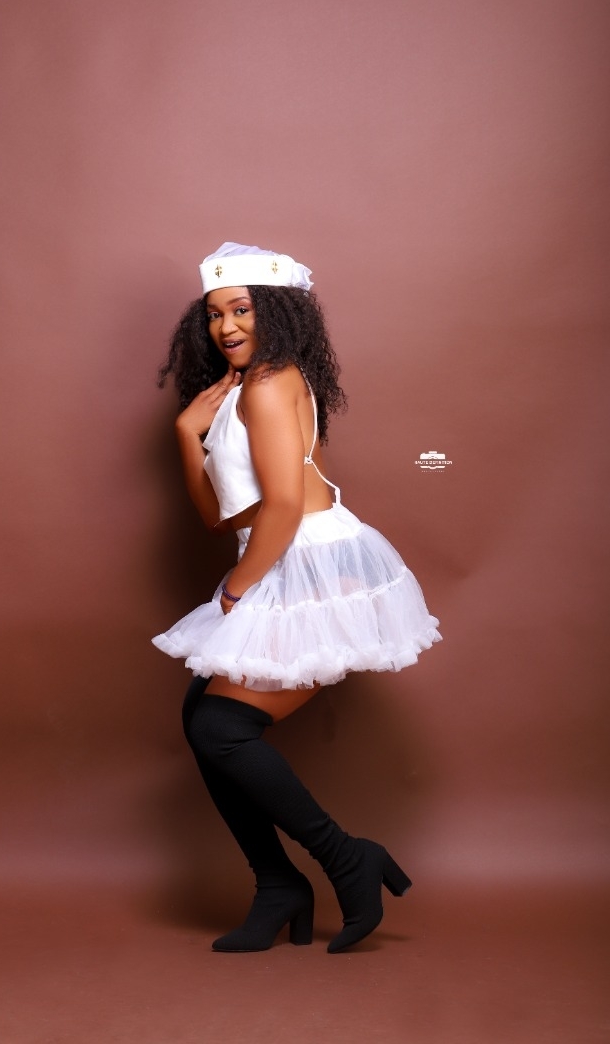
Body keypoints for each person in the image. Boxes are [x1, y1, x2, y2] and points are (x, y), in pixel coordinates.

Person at [153, 242, 441, 953]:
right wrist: (188, 433)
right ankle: (279, 884)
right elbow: (221, 518)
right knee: (204, 718)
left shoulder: (270, 384)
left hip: (311, 566)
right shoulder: (246, 391)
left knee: (221, 728)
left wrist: (235, 589)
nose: (225, 327)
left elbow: (284, 505)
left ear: (279, 311)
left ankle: (346, 858)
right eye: (214, 314)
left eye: (241, 309)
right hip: (279, 559)